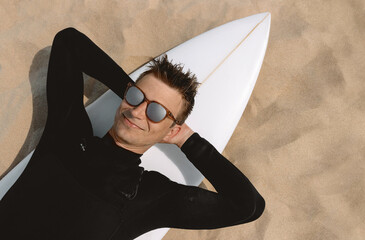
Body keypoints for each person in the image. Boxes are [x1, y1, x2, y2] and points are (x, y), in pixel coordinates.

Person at [0, 27, 265, 239]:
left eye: (157, 113)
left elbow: (248, 206)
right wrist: (137, 94)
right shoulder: (67, 133)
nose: (138, 113)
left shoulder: (148, 196)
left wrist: (187, 140)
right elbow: (69, 43)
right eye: (136, 97)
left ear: (171, 129)